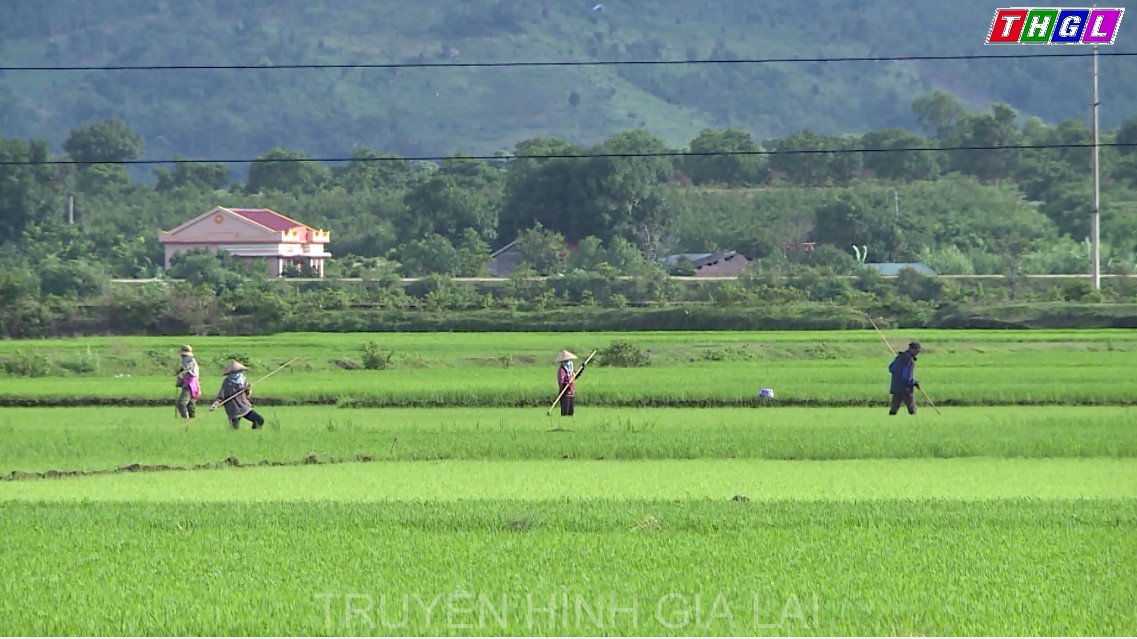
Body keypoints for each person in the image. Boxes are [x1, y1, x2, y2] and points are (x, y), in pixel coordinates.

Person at [209, 360, 265, 429]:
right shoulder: (227, 383)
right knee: (234, 430)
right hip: (233, 409)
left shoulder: (243, 379)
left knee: (259, 420)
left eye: (239, 371)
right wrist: (215, 405)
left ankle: (254, 435)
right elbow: (220, 397)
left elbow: (247, 394)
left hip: (244, 406)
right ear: (231, 373)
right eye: (235, 372)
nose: (237, 373)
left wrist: (248, 389)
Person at [888, 342, 923, 415]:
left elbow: (891, 369)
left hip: (896, 386)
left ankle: (890, 421)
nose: (917, 353)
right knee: (912, 409)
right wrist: (915, 383)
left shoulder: (899, 357)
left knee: (894, 409)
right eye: (916, 351)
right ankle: (915, 423)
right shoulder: (910, 360)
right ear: (911, 349)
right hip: (905, 388)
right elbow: (906, 377)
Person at [556, 350, 586, 416]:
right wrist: (566, 383)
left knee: (571, 413)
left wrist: (582, 368)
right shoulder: (562, 370)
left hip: (571, 394)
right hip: (564, 394)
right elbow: (561, 382)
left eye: (569, 361)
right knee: (565, 413)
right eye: (567, 361)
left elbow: (576, 375)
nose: (569, 362)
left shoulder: (571, 370)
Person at [175, 344, 201, 419]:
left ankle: (185, 420)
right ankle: (191, 423)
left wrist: (180, 374)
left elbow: (187, 370)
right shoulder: (188, 359)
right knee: (191, 405)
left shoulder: (188, 359)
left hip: (190, 384)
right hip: (192, 384)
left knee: (181, 404)